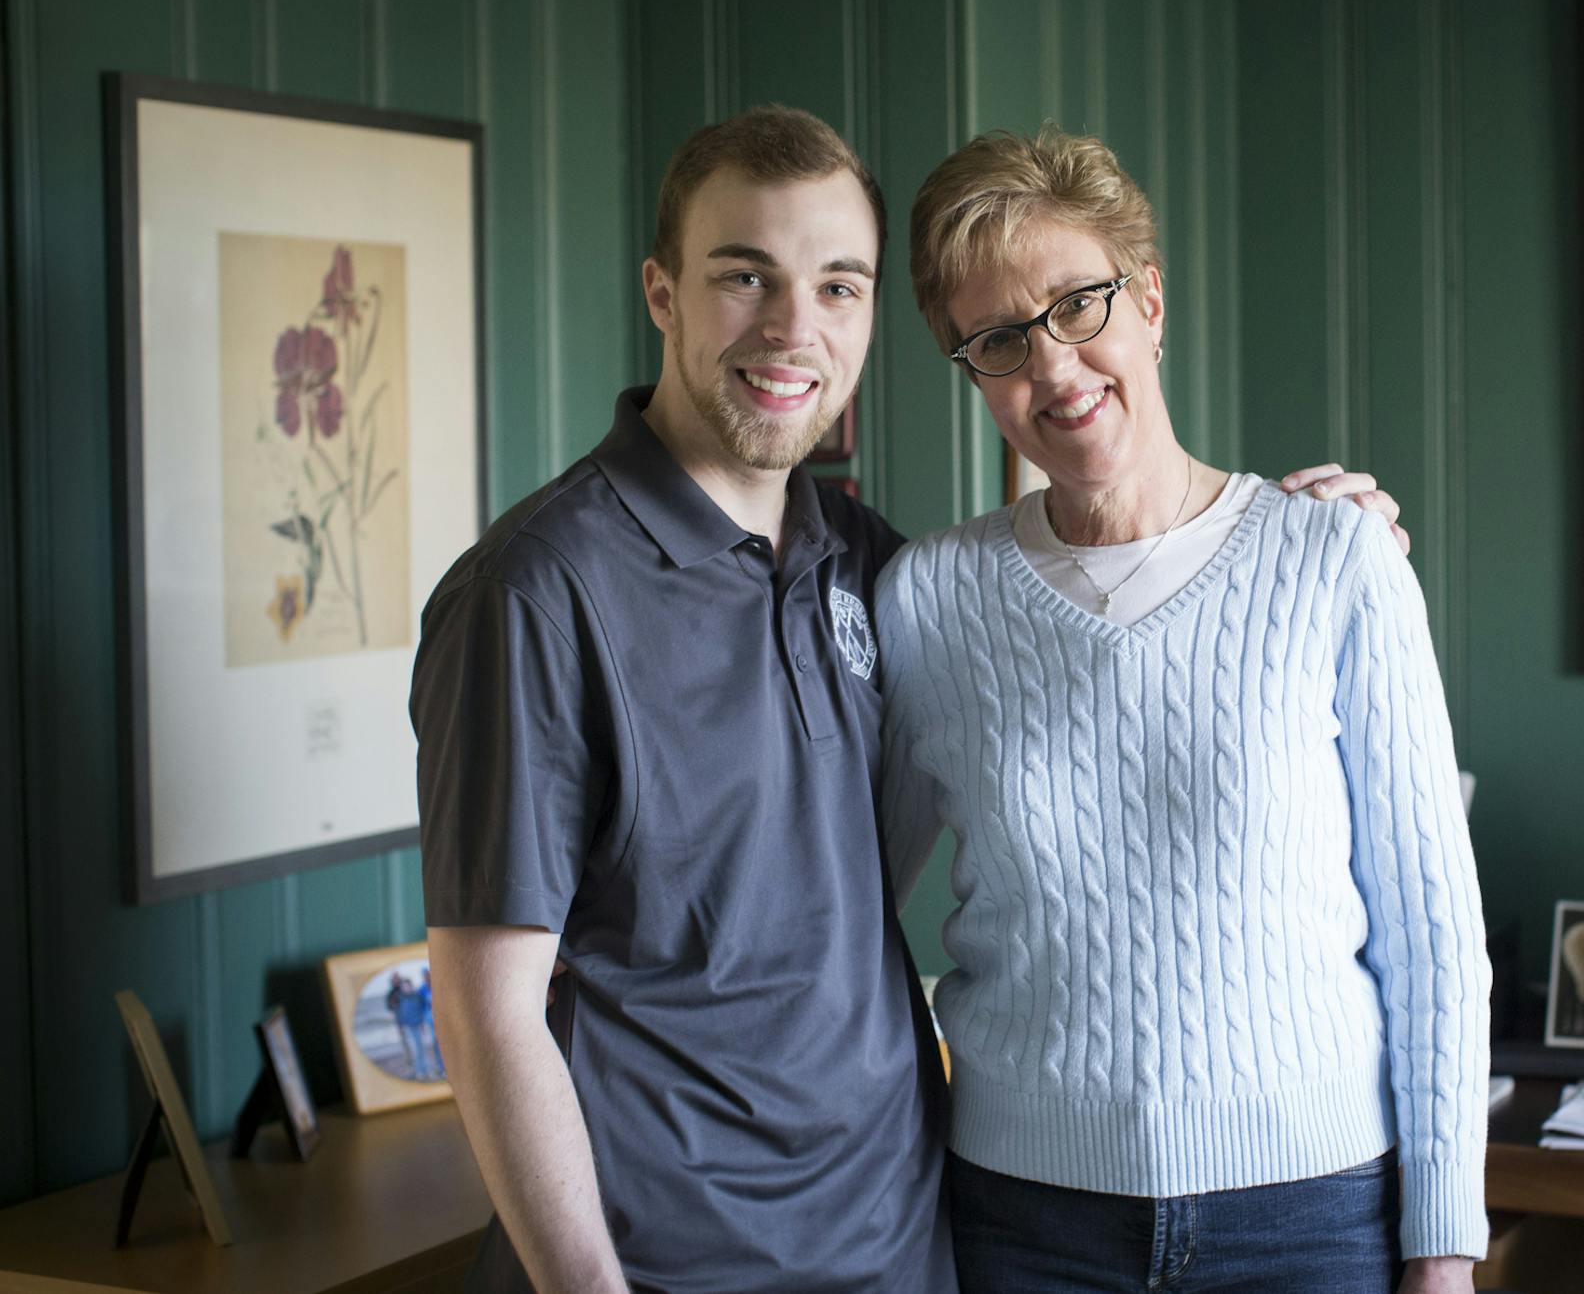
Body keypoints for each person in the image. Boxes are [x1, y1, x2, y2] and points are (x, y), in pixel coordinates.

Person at [411, 104, 1401, 1294]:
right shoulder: (534, 591)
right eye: (744, 276)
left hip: (900, 1239)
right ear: (662, 293)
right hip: (666, 1256)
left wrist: (1323, 539)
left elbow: (1086, 618)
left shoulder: (875, 568)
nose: (793, 329)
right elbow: (488, 1013)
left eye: (839, 285)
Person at [879, 126, 1491, 1293]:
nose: (1053, 366)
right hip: (1025, 1220)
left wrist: (1444, 1248)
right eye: (999, 338)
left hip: (1313, 1218)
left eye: (1079, 304)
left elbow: (1435, 940)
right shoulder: (932, 598)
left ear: (1150, 302)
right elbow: (843, 904)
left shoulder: (1338, 562)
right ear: (968, 366)